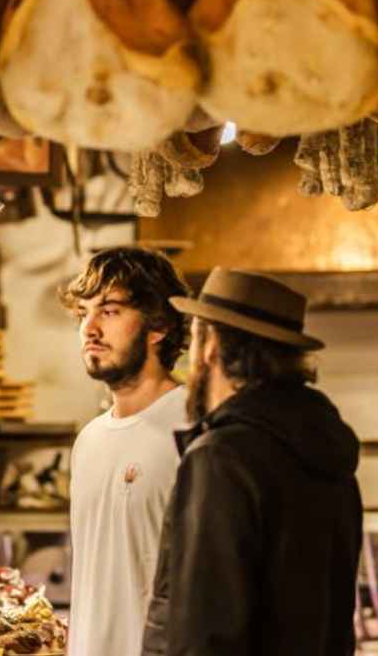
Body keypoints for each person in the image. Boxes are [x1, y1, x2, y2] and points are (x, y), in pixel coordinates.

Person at [141, 268, 363, 656]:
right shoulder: (327, 451)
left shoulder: (221, 458)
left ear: (210, 345)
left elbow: (204, 632)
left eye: (194, 336)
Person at [63, 247, 192, 656]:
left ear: (158, 326)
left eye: (110, 311)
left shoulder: (193, 431)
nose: (90, 328)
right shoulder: (89, 441)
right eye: (84, 312)